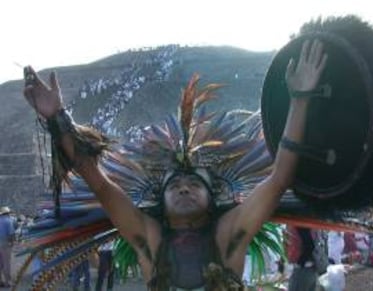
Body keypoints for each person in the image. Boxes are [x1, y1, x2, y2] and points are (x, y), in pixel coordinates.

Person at [23, 39, 327, 290]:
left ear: (211, 200)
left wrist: (300, 98)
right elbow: (100, 184)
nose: (184, 188)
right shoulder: (150, 238)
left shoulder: (229, 233)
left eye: (194, 183)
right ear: (161, 202)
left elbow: (279, 178)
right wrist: (57, 118)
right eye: (176, 185)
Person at [286, 226, 322, 291]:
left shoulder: (297, 225)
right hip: (311, 269)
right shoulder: (311, 224)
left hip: (301, 271)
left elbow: (309, 245)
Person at [0, 206, 15, 288]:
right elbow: (11, 234)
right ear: (8, 213)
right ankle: (7, 282)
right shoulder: (8, 221)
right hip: (5, 243)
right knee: (6, 263)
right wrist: (12, 243)